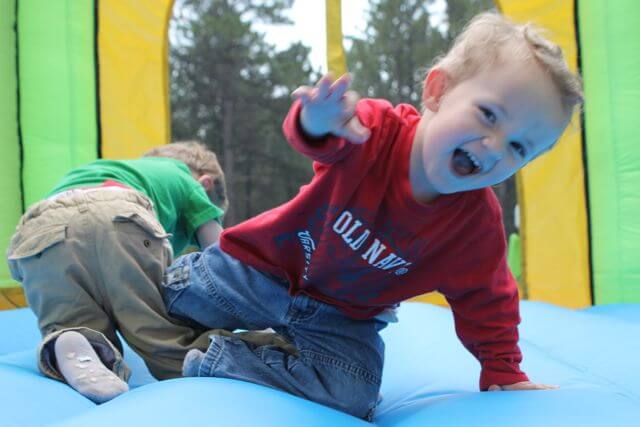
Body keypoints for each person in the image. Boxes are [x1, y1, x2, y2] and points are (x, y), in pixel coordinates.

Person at [160, 13, 583, 419]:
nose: (494, 146)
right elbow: (326, 139)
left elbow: (487, 298)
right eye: (488, 115)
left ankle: (222, 358)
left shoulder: (476, 228)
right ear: (438, 91)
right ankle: (180, 272)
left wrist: (504, 370)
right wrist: (318, 120)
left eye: (518, 148)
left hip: (341, 317)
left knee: (352, 394)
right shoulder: (377, 131)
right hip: (262, 271)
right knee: (175, 298)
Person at [6, 141, 228, 403]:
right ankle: (203, 357)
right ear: (206, 183)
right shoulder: (186, 179)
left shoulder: (106, 169)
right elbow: (220, 252)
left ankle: (73, 339)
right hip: (119, 213)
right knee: (155, 332)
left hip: (38, 232)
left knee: (71, 318)